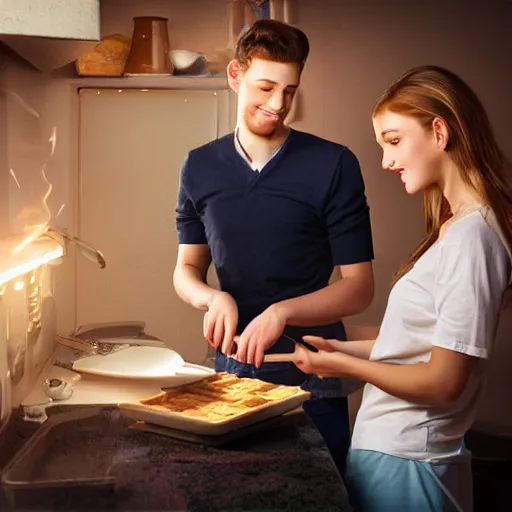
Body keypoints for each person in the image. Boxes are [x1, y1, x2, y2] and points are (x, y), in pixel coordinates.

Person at [292, 64, 512, 511]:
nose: (387, 162)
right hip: (396, 456)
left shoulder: (474, 237)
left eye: (394, 141)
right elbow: (419, 349)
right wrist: (337, 350)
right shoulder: (457, 229)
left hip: (409, 461)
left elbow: (444, 381)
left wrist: (344, 369)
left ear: (439, 130)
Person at [173, 19, 374, 477]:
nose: (278, 105)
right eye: (266, 87)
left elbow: (359, 288)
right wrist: (212, 297)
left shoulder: (334, 164)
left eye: (289, 90)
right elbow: (186, 269)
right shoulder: (199, 166)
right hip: (232, 375)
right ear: (235, 75)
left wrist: (282, 312)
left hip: (315, 378)